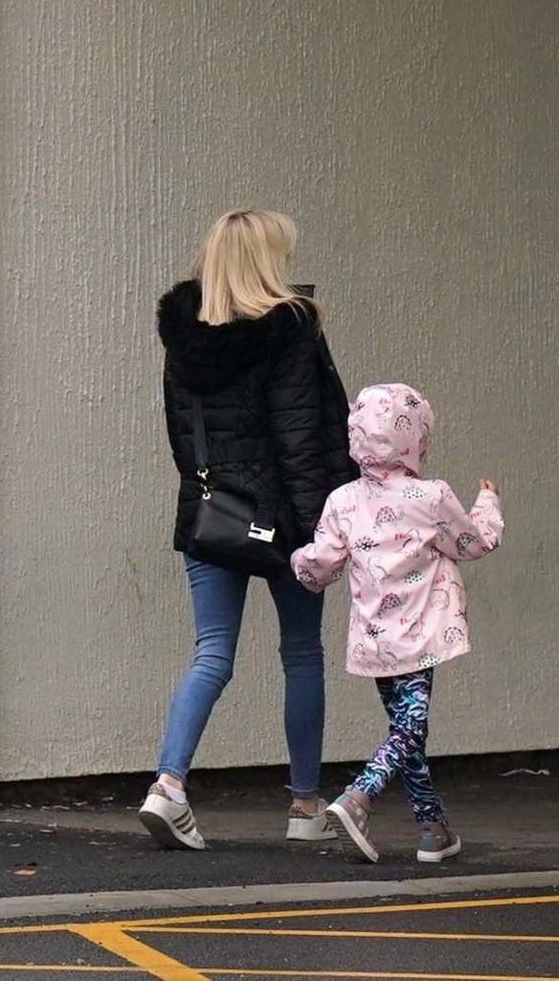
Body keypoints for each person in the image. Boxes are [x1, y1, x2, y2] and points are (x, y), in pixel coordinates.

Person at [142, 208, 353, 852]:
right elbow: (301, 438)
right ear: (266, 262)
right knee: (301, 654)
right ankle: (305, 805)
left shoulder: (184, 338)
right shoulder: (291, 329)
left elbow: (182, 436)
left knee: (211, 652)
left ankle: (169, 787)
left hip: (213, 515)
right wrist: (323, 528)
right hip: (286, 521)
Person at [289, 382, 504, 865]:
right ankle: (359, 796)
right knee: (410, 727)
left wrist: (295, 558)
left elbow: (320, 566)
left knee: (407, 730)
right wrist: (488, 502)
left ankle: (433, 828)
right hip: (421, 634)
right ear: (416, 439)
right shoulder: (429, 496)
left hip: (373, 638)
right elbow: (472, 543)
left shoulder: (341, 501)